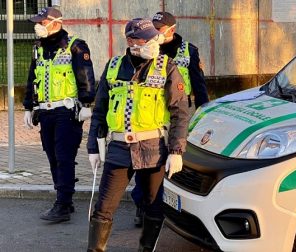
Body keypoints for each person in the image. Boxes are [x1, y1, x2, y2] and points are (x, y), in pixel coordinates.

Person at [86, 18, 189, 251]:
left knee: (153, 205)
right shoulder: (114, 67)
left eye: (155, 37)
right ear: (132, 42)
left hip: (154, 148)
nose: (155, 42)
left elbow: (180, 112)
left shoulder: (167, 67)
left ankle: (147, 248)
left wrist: (176, 151)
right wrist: (93, 146)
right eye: (147, 39)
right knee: (104, 207)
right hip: (120, 149)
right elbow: (100, 110)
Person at [131, 11, 210, 227]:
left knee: (173, 163)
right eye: (153, 28)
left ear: (171, 29)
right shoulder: (145, 49)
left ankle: (168, 204)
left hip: (176, 121)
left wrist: (205, 112)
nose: (155, 32)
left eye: (159, 28)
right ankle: (142, 206)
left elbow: (198, 83)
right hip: (149, 121)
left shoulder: (188, 51)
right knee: (144, 166)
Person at [23, 7, 95, 222]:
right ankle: (65, 199)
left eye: (42, 22)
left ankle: (63, 205)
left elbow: (86, 76)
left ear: (56, 23)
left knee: (64, 157)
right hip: (46, 112)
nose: (38, 26)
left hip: (67, 111)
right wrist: (29, 107)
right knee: (52, 156)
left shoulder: (75, 46)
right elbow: (31, 79)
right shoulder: (39, 48)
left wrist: (86, 103)